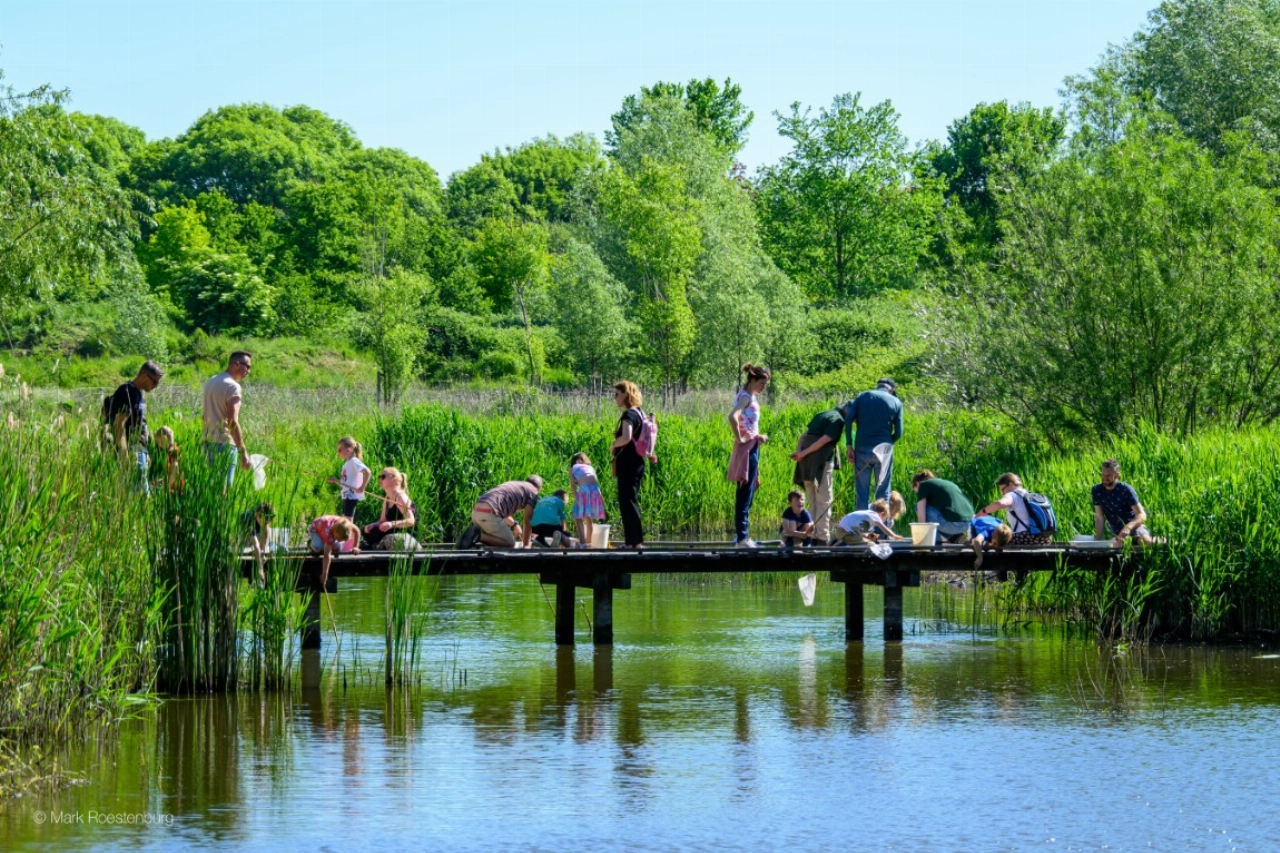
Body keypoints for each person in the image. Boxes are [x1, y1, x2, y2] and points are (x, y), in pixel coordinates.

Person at [789, 401, 852, 545]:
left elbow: (803, 436)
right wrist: (803, 453)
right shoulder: (838, 420)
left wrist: (800, 453)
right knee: (824, 501)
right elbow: (823, 441)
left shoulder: (823, 414)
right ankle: (823, 538)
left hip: (806, 464)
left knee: (812, 502)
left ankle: (812, 536)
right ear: (848, 411)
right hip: (820, 463)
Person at [727, 363, 771, 548]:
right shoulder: (746, 397)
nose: (763, 387)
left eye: (765, 385)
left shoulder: (748, 396)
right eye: (761, 383)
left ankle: (743, 537)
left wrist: (755, 437)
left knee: (749, 491)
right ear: (752, 380)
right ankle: (742, 538)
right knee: (745, 494)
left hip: (752, 447)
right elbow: (732, 416)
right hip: (748, 448)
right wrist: (742, 438)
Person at [106, 360, 164, 493]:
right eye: (154, 382)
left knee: (141, 493)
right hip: (131, 450)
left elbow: (139, 424)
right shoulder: (126, 391)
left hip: (139, 449)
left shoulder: (138, 393)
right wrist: (124, 453)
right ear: (144, 376)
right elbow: (119, 424)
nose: (156, 386)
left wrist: (145, 451)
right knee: (141, 495)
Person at [845, 378, 903, 510]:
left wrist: (849, 446)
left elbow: (848, 420)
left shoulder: (862, 396)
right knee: (882, 493)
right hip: (884, 452)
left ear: (878, 386)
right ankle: (881, 523)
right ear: (892, 390)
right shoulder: (896, 402)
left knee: (862, 494)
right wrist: (888, 443)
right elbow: (899, 432)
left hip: (862, 449)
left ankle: (862, 523)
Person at [202, 352, 253, 487]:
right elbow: (232, 422)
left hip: (207, 442)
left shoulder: (211, 381)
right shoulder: (233, 386)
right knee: (224, 489)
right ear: (237, 364)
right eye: (247, 367)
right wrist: (242, 451)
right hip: (224, 445)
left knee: (210, 488)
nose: (248, 371)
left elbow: (204, 416)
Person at [610, 380, 647, 549]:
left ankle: (635, 543)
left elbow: (626, 437)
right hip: (638, 462)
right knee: (630, 500)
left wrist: (614, 444)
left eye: (617, 394)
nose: (615, 398)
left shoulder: (629, 415)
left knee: (627, 502)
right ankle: (632, 542)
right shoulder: (640, 413)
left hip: (628, 464)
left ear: (626, 394)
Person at [975, 473, 1053, 546]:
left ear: (1010, 484)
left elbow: (1000, 504)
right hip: (1045, 538)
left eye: (1003, 489)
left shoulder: (1012, 495)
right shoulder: (1028, 494)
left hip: (1025, 537)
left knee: (996, 535)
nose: (1003, 493)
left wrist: (983, 512)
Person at [1093, 459, 1156, 547]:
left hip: (1134, 527)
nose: (1105, 478)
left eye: (1108, 475)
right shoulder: (1097, 490)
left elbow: (1142, 515)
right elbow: (1099, 517)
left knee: (1146, 542)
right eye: (1103, 475)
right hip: (1117, 533)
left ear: (1117, 475)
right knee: (1112, 546)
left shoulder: (1125, 489)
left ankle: (1167, 541)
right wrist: (1097, 541)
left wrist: (1128, 527)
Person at [471, 475, 543, 549]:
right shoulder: (533, 492)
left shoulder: (516, 485)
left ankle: (475, 535)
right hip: (489, 514)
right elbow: (527, 521)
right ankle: (477, 535)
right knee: (509, 543)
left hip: (476, 512)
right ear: (539, 488)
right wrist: (526, 546)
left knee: (494, 540)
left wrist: (514, 525)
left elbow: (500, 510)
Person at [912, 470, 975, 544]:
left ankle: (936, 541)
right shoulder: (948, 483)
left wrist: (921, 538)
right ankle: (955, 537)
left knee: (917, 507)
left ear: (917, 484)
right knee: (940, 513)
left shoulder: (923, 485)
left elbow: (921, 518)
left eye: (916, 491)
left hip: (952, 525)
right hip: (968, 524)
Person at [364, 467, 418, 551]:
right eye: (379, 477)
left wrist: (391, 524)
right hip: (395, 530)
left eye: (383, 477)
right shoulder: (387, 497)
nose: (380, 479)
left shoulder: (400, 497)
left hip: (407, 533)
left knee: (379, 533)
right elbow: (382, 521)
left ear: (394, 480)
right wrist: (373, 525)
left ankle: (376, 547)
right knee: (367, 530)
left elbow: (411, 521)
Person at [308, 514, 359, 586]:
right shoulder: (328, 532)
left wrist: (355, 546)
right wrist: (325, 573)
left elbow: (357, 531)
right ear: (334, 532)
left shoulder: (345, 525)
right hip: (315, 531)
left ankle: (325, 545)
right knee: (318, 549)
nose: (339, 540)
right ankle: (311, 545)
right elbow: (327, 555)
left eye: (341, 540)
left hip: (325, 530)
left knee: (338, 547)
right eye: (338, 538)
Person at [832, 497, 907, 545]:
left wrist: (871, 537)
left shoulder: (868, 517)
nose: (885, 520)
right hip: (845, 533)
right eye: (886, 518)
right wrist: (895, 536)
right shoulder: (874, 515)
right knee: (871, 545)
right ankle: (840, 544)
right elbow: (885, 530)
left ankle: (839, 542)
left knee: (865, 541)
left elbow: (863, 534)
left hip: (841, 531)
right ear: (882, 514)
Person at [328, 436, 370, 519]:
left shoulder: (354, 461)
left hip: (351, 496)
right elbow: (345, 483)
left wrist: (362, 487)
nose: (338, 452)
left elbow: (367, 472)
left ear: (348, 450)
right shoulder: (346, 464)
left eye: (340, 450)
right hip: (346, 496)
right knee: (345, 519)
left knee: (347, 521)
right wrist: (335, 481)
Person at [569, 452, 605, 548]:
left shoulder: (572, 468)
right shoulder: (590, 468)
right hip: (595, 491)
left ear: (576, 461)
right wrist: (601, 498)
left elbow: (572, 484)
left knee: (577, 517)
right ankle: (588, 543)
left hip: (585, 490)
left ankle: (582, 543)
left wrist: (576, 497)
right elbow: (596, 483)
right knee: (589, 519)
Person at [241, 502, 275, 584]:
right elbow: (256, 544)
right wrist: (260, 569)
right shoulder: (249, 518)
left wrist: (262, 554)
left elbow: (261, 545)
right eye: (265, 521)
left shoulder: (264, 520)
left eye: (270, 519)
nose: (268, 522)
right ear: (257, 515)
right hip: (242, 536)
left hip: (256, 532)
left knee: (262, 553)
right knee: (252, 546)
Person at [153, 426, 184, 492]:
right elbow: (170, 472)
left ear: (164, 438)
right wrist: (159, 481)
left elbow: (175, 468)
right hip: (174, 488)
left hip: (174, 490)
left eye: (158, 442)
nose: (158, 445)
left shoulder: (173, 451)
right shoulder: (172, 450)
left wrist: (168, 486)